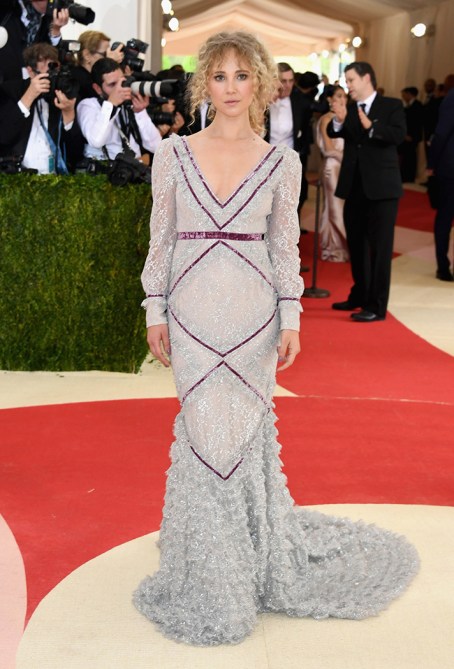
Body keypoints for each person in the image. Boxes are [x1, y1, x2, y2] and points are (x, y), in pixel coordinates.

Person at [133, 32, 418, 646]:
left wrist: (291, 318)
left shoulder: (281, 163)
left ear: (261, 84)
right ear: (204, 84)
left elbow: (284, 248)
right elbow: (161, 241)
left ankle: (246, 566)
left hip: (252, 321)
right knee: (204, 436)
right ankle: (210, 574)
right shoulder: (174, 154)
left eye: (242, 76)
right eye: (219, 76)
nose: (231, 88)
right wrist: (155, 306)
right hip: (192, 318)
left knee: (242, 437)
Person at [328, 61, 406, 322]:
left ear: (366, 78)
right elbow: (334, 132)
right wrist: (339, 120)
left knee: (380, 249)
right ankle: (360, 294)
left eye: (351, 80)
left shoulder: (392, 105)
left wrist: (371, 127)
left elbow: (398, 135)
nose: (348, 85)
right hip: (354, 187)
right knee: (357, 245)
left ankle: (377, 305)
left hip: (382, 189)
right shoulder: (350, 109)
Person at [0, 42, 84, 172]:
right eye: (47, 75)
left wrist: (68, 113)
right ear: (30, 72)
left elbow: (75, 154)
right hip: (16, 175)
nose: (52, 79)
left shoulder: (63, 94)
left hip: (54, 176)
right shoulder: (10, 90)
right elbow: (4, 137)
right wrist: (28, 97)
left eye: (56, 74)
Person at [76, 57, 162, 162]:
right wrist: (111, 104)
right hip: (106, 168)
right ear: (98, 88)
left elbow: (156, 146)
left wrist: (140, 112)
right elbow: (96, 141)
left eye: (122, 82)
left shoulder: (130, 105)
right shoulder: (88, 105)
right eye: (112, 84)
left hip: (133, 167)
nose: (119, 88)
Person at [0, 0, 69, 92]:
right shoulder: (7, 10)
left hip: (32, 86)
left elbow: (50, 55)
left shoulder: (46, 19)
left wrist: (56, 31)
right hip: (6, 84)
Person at [316, 84, 349, 262]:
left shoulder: (345, 118)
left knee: (343, 207)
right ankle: (336, 248)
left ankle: (338, 246)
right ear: (329, 99)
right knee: (335, 208)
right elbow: (328, 149)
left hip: (344, 168)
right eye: (339, 96)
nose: (343, 99)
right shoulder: (326, 120)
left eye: (345, 96)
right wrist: (349, 159)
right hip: (333, 168)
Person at [427, 74, 454, 281]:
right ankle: (442, 266)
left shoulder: (451, 98)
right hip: (450, 169)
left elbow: (441, 134)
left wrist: (432, 164)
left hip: (449, 167)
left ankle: (443, 267)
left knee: (445, 217)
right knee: (445, 216)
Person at [71, 30, 123, 101]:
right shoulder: (79, 80)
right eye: (105, 54)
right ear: (87, 55)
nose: (109, 57)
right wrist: (109, 62)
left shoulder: (91, 76)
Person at [398, 86, 423, 183]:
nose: (403, 97)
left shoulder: (418, 106)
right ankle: (404, 176)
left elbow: (417, 123)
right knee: (405, 156)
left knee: (411, 157)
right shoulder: (407, 106)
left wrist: (412, 136)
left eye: (404, 94)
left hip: (412, 136)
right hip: (406, 135)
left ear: (409, 94)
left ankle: (409, 177)